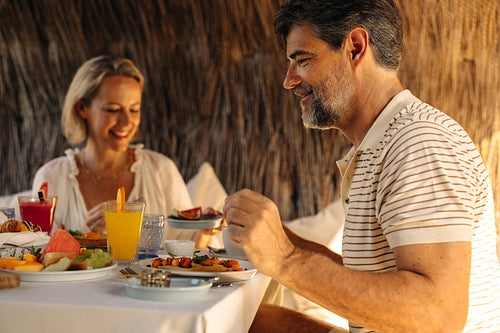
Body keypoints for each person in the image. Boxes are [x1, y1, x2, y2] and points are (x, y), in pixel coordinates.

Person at [223, 1, 500, 332]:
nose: (289, 80)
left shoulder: (419, 143)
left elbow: (437, 315)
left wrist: (285, 259)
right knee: (245, 321)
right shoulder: (384, 143)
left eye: (303, 60)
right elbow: (377, 280)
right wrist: (278, 239)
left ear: (355, 47)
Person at [32, 55, 214, 248]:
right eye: (113, 109)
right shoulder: (51, 177)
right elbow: (34, 256)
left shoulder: (161, 170)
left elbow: (187, 250)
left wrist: (204, 233)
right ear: (82, 108)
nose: (127, 122)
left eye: (134, 109)